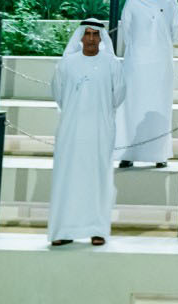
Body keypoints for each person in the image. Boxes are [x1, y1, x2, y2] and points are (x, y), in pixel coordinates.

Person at [48, 19, 125, 247]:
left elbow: (118, 95)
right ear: (80, 37)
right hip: (71, 130)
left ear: (101, 38)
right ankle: (64, 229)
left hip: (100, 130)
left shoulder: (112, 64)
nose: (91, 38)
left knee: (98, 179)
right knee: (68, 178)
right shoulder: (66, 64)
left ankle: (97, 230)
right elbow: (59, 94)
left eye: (95, 34)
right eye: (87, 34)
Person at [115, 0, 178, 168]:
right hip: (136, 63)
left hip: (161, 64)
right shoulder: (133, 1)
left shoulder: (170, 3)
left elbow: (174, 32)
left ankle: (159, 155)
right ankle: (128, 153)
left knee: (159, 106)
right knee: (132, 105)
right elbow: (126, 30)